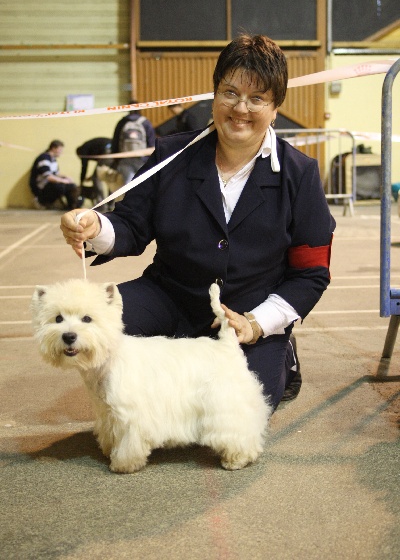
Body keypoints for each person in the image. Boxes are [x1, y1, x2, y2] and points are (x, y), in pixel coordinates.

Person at [60, 34, 336, 411]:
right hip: (169, 295)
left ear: (275, 108)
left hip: (247, 314)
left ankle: (280, 347)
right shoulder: (170, 154)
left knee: (241, 406)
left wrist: (256, 323)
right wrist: (95, 226)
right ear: (214, 94)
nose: (241, 108)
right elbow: (131, 226)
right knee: (97, 333)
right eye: (230, 92)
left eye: (257, 98)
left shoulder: (300, 174)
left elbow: (311, 273)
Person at [111, 103, 156, 185]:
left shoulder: (122, 122)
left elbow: (115, 142)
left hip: (125, 159)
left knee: (128, 187)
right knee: (144, 187)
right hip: (142, 160)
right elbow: (152, 143)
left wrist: (116, 161)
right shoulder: (146, 122)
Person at [30, 140, 81, 210]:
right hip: (41, 188)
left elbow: (56, 174)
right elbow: (48, 177)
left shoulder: (53, 160)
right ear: (53, 148)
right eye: (60, 150)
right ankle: (43, 202)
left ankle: (71, 206)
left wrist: (67, 178)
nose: (61, 152)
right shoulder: (44, 158)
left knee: (72, 186)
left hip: (49, 184)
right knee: (60, 186)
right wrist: (63, 180)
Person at [76, 137, 113, 205]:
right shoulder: (92, 146)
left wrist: (81, 181)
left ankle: (101, 203)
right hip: (115, 151)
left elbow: (84, 166)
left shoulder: (83, 150)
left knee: (96, 178)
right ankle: (111, 203)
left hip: (107, 152)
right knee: (111, 178)